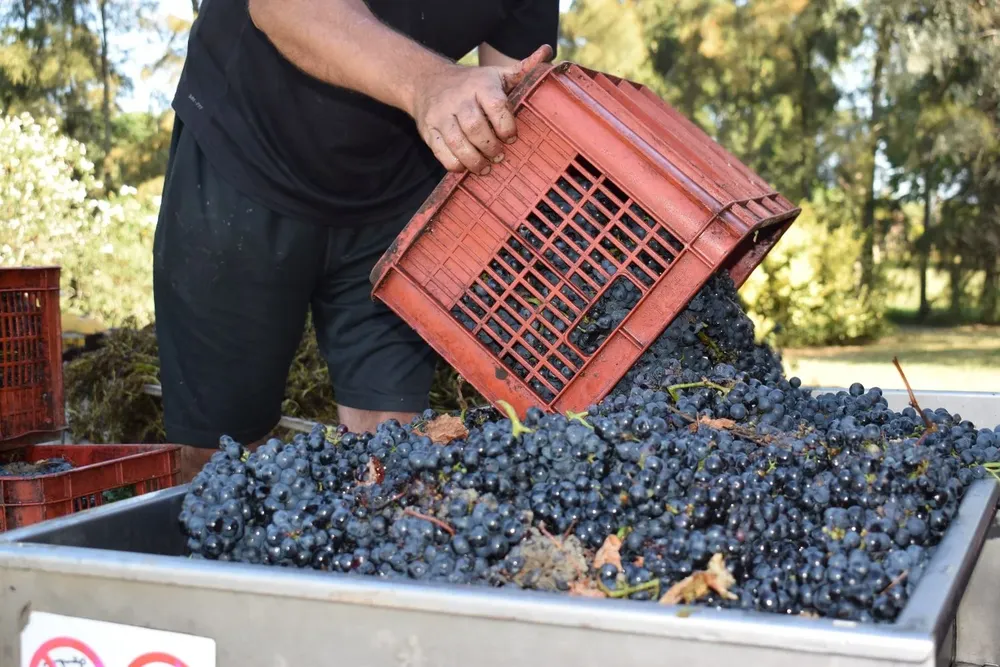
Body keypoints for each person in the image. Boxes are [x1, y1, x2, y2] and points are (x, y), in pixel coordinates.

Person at [154, 0, 559, 481]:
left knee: (392, 457)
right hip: (245, 161)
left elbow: (511, 97)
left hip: (397, 193)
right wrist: (430, 84)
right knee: (215, 456)